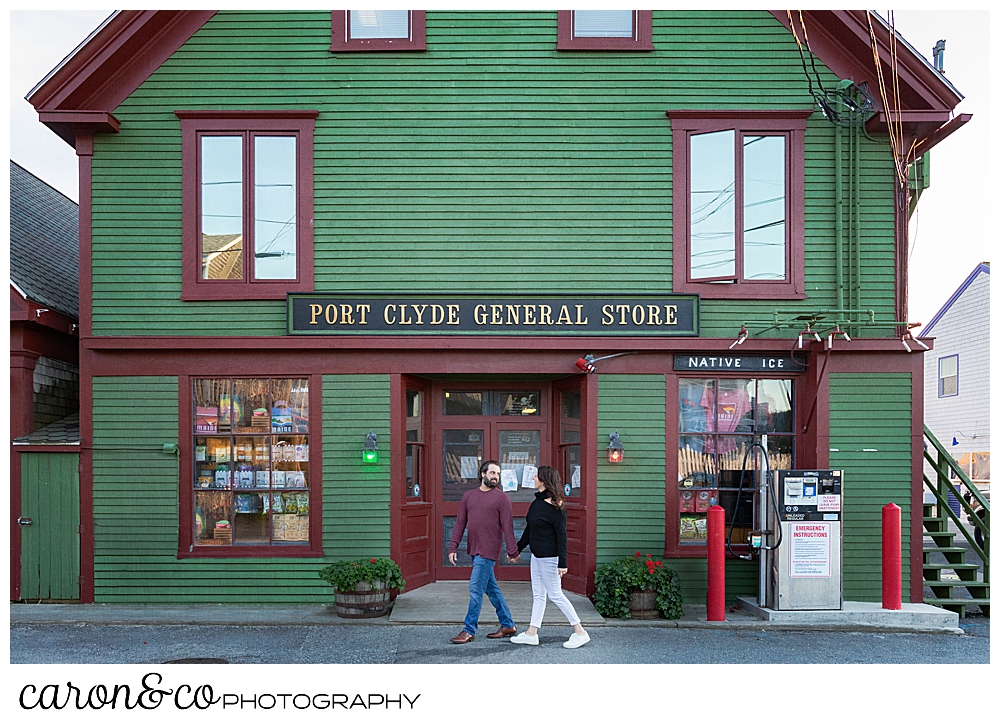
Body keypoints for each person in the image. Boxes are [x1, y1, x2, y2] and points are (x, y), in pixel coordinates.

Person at [510, 465, 590, 649]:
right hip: (537, 557)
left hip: (550, 558)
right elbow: (530, 529)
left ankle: (580, 631)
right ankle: (531, 633)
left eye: (536, 476)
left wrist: (563, 562)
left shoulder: (557, 507)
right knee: (538, 595)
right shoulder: (537, 502)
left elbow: (562, 536)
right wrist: (517, 550)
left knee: (555, 594)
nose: (533, 479)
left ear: (545, 481)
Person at [447, 460, 520, 644]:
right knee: (491, 589)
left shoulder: (502, 498)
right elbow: (460, 523)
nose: (495, 476)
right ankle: (508, 624)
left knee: (475, 589)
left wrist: (512, 551)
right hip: (474, 548)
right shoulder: (469, 496)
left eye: (498, 474)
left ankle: (469, 629)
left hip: (488, 551)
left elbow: (508, 527)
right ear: (483, 474)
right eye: (492, 473)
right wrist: (453, 546)